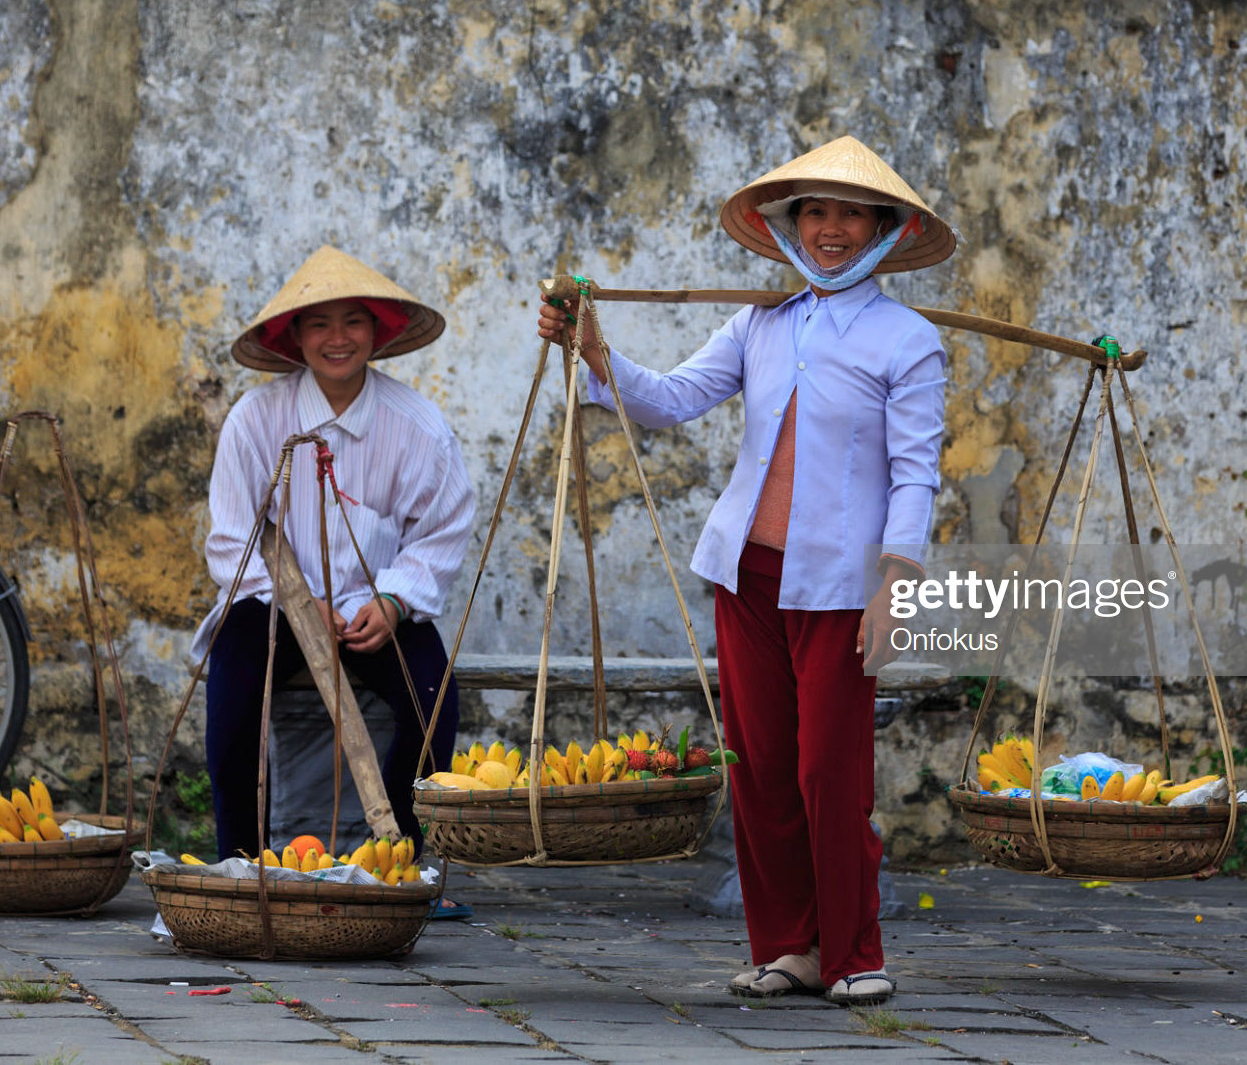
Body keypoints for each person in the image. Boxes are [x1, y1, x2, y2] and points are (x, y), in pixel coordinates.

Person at [537, 135, 955, 1006]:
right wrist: (595, 349)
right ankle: (788, 946)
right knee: (759, 769)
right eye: (813, 211)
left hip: (842, 588)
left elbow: (915, 472)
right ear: (790, 226)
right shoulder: (760, 322)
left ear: (883, 228)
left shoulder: (905, 340)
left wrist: (897, 581)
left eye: (848, 212)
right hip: (747, 578)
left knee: (826, 774)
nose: (829, 228)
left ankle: (853, 951)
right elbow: (673, 399)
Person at [196, 246, 475, 862]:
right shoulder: (255, 420)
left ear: (378, 329)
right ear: (294, 337)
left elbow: (442, 530)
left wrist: (396, 600)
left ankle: (402, 859)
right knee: (234, 693)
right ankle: (241, 861)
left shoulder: (419, 426)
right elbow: (231, 544)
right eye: (318, 323)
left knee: (433, 700)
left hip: (371, 611)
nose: (337, 338)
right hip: (272, 607)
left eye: (353, 320)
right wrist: (294, 607)